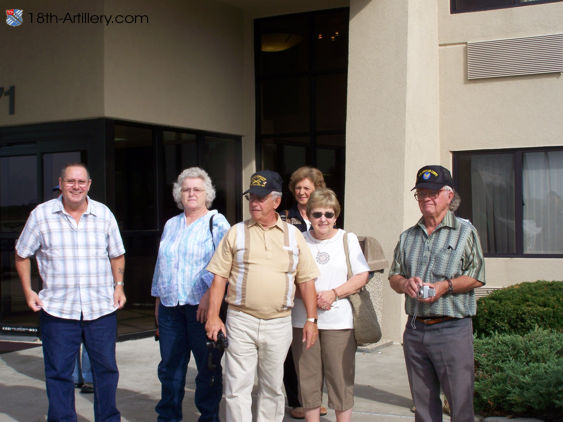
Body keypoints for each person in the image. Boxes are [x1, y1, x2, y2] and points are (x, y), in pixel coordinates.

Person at [205, 170, 320, 422]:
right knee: (236, 388)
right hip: (241, 320)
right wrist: (214, 316)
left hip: (279, 323)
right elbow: (219, 277)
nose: (254, 203)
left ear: (276, 201)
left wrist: (312, 320)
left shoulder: (294, 236)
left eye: (260, 198)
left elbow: (307, 279)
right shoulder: (236, 232)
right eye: (251, 197)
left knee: (272, 388)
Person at [15, 162, 126, 422]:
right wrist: (28, 291)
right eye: (70, 181)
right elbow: (22, 255)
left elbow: (117, 255)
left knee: (106, 372)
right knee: (58, 373)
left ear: (89, 185)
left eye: (81, 182)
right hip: (58, 311)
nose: (76, 187)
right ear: (61, 183)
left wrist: (119, 286)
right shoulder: (41, 215)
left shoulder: (104, 214)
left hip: (100, 309)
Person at [388, 165, 485, 422]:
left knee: (460, 406)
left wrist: (445, 287)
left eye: (432, 192)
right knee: (423, 408)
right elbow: (394, 276)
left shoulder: (466, 232)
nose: (426, 198)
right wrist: (405, 284)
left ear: (449, 196)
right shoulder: (408, 236)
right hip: (416, 330)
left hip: (452, 330)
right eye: (421, 193)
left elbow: (476, 275)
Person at [152, 167, 230, 422]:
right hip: (170, 307)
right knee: (170, 368)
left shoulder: (216, 222)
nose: (191, 193)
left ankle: (208, 417)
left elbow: (226, 264)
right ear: (179, 194)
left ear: (207, 194)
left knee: (207, 369)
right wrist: (157, 304)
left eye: (197, 189)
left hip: (201, 308)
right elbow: (161, 265)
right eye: (186, 189)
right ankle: (168, 417)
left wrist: (209, 297)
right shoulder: (171, 224)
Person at [292, 188, 369, 422]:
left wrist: (334, 294)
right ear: (308, 216)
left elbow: (361, 275)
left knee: (341, 378)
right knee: (308, 377)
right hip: (303, 320)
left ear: (336, 216)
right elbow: (288, 277)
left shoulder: (347, 239)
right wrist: (310, 298)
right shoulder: (298, 240)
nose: (323, 219)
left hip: (339, 321)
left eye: (328, 213)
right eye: (317, 214)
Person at [281, 166, 327, 419]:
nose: (301, 192)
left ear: (316, 190)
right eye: (298, 188)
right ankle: (296, 400)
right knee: (291, 350)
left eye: (306, 188)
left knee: (314, 349)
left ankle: (314, 399)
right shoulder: (284, 217)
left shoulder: (323, 214)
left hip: (319, 290)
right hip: (291, 292)